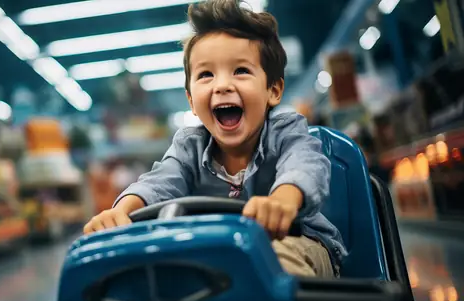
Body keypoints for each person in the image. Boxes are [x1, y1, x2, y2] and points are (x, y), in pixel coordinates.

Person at [84, 0, 346, 278]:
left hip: (296, 245)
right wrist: (123, 210)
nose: (221, 85)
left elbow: (304, 166)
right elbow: (159, 182)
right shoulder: (189, 146)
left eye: (241, 71)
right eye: (206, 74)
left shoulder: (287, 131)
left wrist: (283, 200)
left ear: (273, 90)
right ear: (191, 101)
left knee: (270, 264)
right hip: (221, 253)